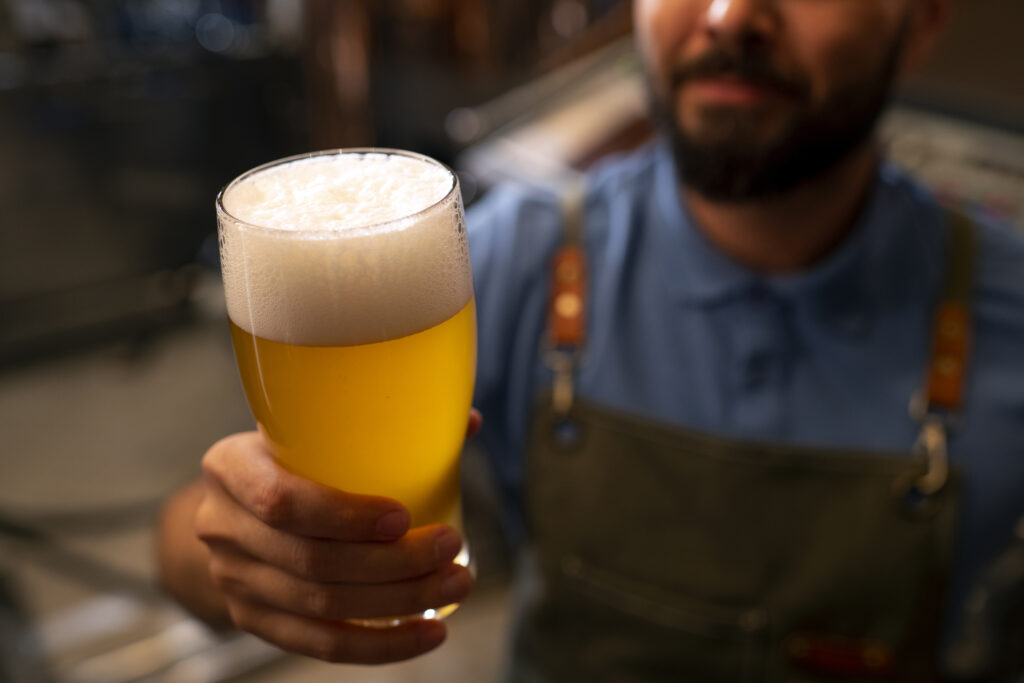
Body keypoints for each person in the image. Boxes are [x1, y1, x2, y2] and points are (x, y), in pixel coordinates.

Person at [159, 0, 1024, 679]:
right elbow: (184, 544)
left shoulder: (1007, 309)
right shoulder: (519, 255)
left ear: (923, 23)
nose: (729, 15)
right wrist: (250, 555)